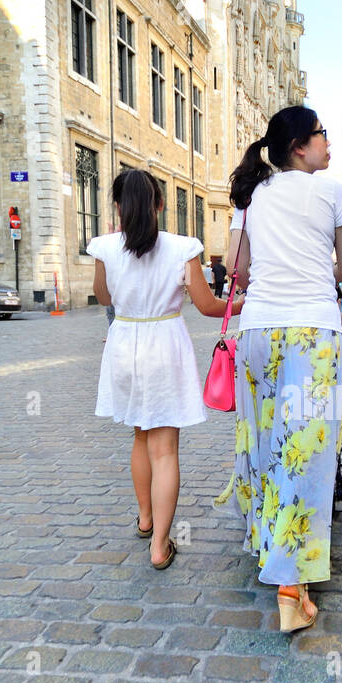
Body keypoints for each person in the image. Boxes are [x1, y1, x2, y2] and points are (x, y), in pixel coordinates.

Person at [219, 105, 342, 632]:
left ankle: (268, 548)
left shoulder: (253, 195)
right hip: (311, 333)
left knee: (263, 442)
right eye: (323, 135)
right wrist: (311, 272)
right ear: (301, 145)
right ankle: (290, 585)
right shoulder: (331, 191)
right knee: (306, 453)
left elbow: (242, 269)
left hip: (257, 333)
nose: (328, 143)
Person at [89, 170, 243, 570]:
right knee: (164, 449)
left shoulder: (105, 247)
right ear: (159, 205)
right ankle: (159, 545)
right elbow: (208, 306)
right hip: (163, 343)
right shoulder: (182, 248)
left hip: (124, 343)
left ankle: (145, 519)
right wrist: (246, 303)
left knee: (140, 436)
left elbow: (104, 296)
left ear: (118, 207)